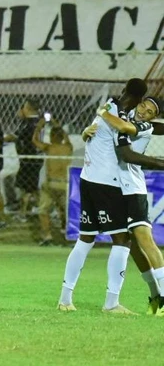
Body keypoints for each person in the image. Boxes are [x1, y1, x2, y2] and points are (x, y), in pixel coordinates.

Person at [58, 78, 148, 313]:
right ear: (138, 100)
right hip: (107, 184)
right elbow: (127, 148)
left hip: (87, 179)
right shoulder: (120, 116)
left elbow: (93, 131)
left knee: (85, 239)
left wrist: (86, 131)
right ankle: (111, 303)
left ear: (124, 90)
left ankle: (65, 299)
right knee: (122, 240)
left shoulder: (108, 105)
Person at [96, 97, 164, 315]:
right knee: (129, 245)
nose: (145, 110)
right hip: (115, 188)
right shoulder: (125, 117)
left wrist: (103, 113)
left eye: (151, 111)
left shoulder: (142, 127)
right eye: (145, 104)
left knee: (144, 239)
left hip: (133, 188)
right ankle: (155, 295)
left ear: (153, 118)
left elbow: (127, 154)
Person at [33, 117, 72, 246]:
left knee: (43, 211)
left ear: (51, 137)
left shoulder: (49, 147)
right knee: (65, 211)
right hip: (65, 184)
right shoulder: (68, 148)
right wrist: (58, 125)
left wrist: (40, 126)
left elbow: (34, 140)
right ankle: (68, 235)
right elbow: (66, 138)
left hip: (51, 183)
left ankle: (48, 237)